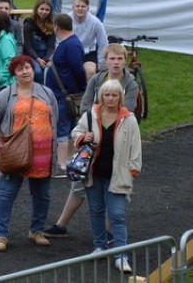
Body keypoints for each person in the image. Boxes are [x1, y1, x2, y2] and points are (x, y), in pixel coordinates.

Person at [43, 43, 141, 238]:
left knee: (114, 185)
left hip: (117, 140)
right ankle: (62, 224)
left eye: (120, 58)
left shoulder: (130, 84)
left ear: (125, 61)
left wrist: (100, 113)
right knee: (80, 182)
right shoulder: (97, 79)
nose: (116, 62)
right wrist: (95, 121)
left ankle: (109, 230)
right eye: (112, 58)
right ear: (105, 60)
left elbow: (127, 109)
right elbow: (85, 105)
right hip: (93, 137)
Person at [0, 55, 58, 252]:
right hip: (15, 153)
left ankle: (37, 230)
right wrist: (5, 138)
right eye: (20, 69)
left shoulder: (46, 92)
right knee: (6, 193)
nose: (25, 71)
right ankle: (1, 235)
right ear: (14, 74)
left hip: (42, 155)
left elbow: (55, 120)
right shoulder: (6, 95)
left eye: (28, 67)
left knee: (42, 195)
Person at [71, 80, 141, 273]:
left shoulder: (129, 119)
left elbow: (136, 148)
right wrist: (82, 138)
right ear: (101, 96)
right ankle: (100, 246)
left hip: (118, 175)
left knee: (117, 215)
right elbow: (75, 131)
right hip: (93, 173)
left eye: (114, 95)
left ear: (120, 97)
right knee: (96, 211)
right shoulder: (91, 115)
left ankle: (121, 254)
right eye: (107, 95)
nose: (110, 99)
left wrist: (132, 171)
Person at [44, 13, 86, 173]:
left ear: (57, 27)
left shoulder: (70, 45)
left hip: (65, 96)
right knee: (69, 128)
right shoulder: (70, 43)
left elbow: (78, 69)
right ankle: (69, 160)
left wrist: (80, 88)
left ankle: (63, 164)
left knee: (63, 129)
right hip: (63, 95)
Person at [70, 0, 108, 81]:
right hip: (71, 52)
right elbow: (58, 39)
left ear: (88, 8)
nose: (80, 8)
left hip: (89, 53)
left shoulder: (96, 23)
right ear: (72, 7)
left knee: (90, 71)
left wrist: (101, 62)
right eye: (77, 6)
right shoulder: (67, 20)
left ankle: (89, 93)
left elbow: (103, 43)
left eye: (83, 6)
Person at [23, 0, 55, 78]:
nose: (44, 12)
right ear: (37, 9)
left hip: (45, 54)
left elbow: (51, 46)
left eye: (47, 10)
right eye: (42, 9)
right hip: (32, 54)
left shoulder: (52, 25)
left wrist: (46, 59)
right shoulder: (28, 24)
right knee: (38, 72)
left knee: (51, 70)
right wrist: (37, 59)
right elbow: (28, 46)